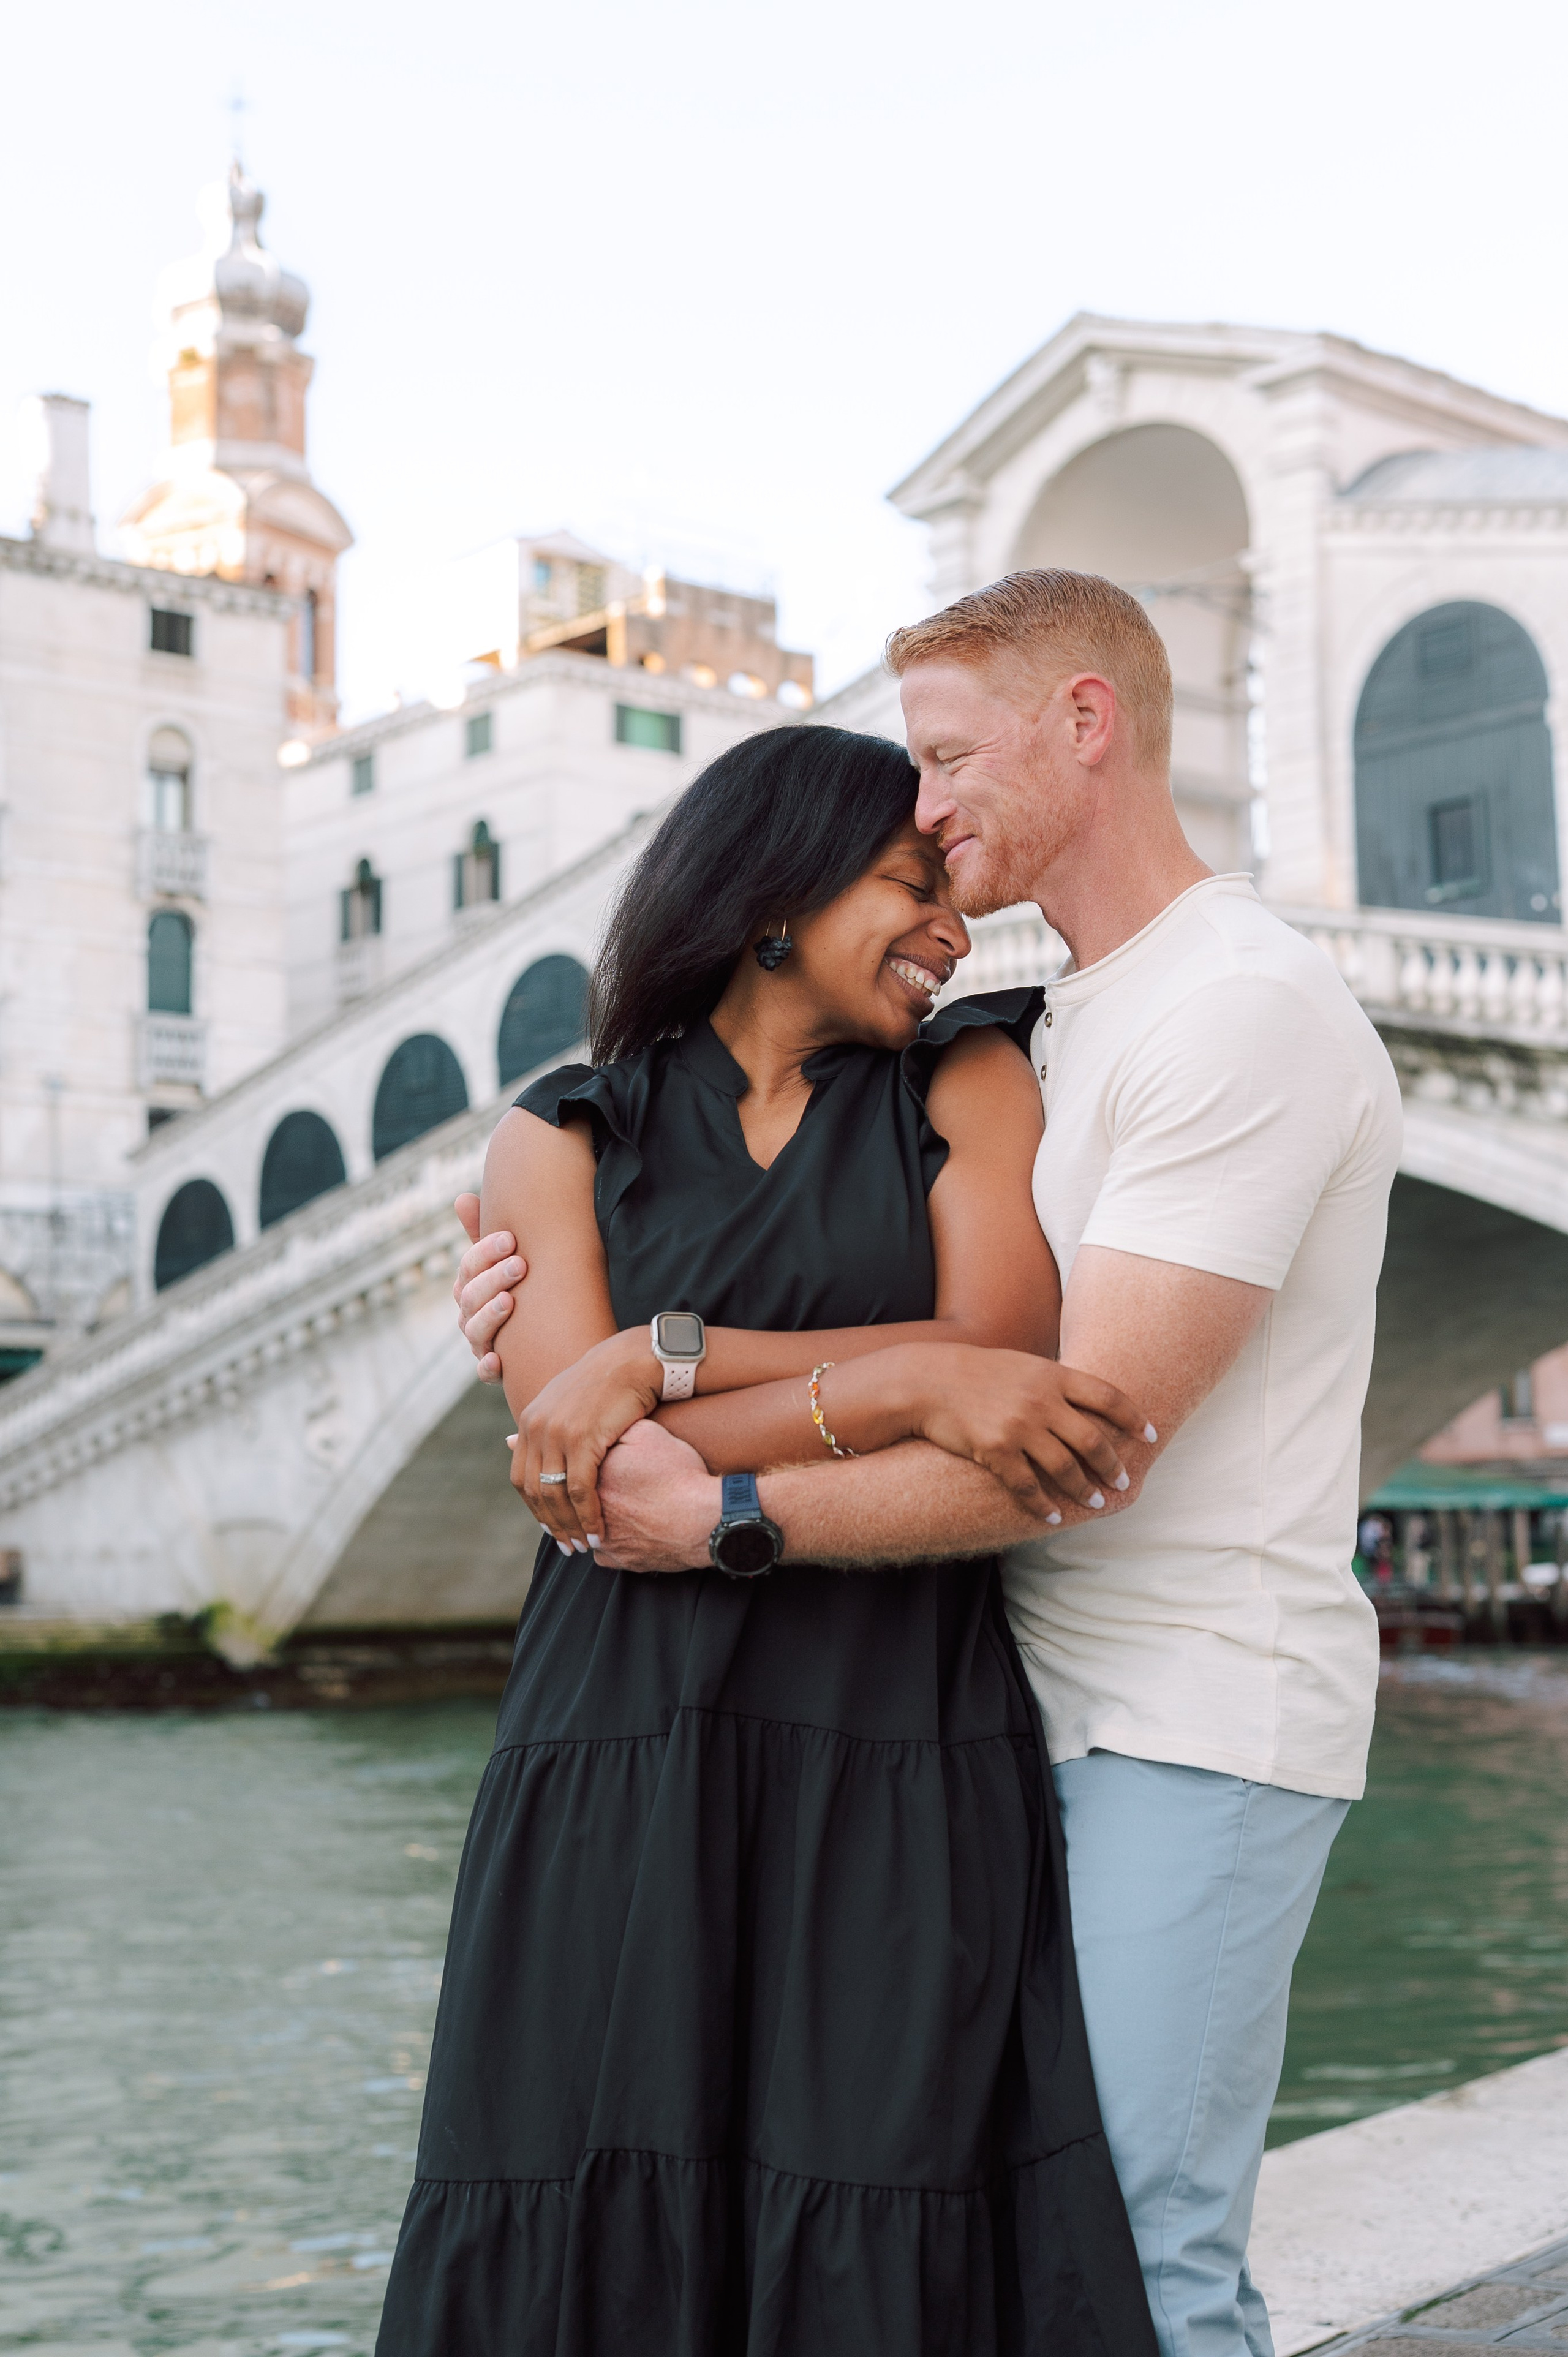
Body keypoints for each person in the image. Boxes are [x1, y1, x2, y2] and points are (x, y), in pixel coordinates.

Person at [458, 570, 1404, 2357]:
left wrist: (716, 1499)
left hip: (1190, 1715)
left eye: (953, 756)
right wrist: (592, 1341)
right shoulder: (1070, 1018)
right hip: (1004, 1705)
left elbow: (1066, 1429)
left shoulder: (1231, 1012)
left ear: (1087, 723)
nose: (936, 808)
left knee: (1132, 2250)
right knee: (984, 2250)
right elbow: (913, 1356)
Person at [379, 723, 1159, 2357]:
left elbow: (1009, 1367)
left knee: (885, 2187)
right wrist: (906, 1372)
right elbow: (580, 1465)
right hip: (619, 1739)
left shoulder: (967, 1076)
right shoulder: (559, 1135)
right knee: (594, 2208)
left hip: (902, 1730)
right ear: (771, 897)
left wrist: (663, 1356)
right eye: (911, 888)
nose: (954, 931)